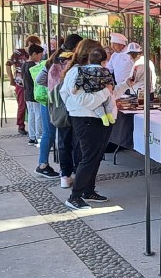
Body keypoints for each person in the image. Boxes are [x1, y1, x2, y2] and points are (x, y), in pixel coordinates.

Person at [60, 39, 113, 210]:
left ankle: (88, 190)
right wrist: (106, 92)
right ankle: (74, 196)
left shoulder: (92, 72)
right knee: (88, 158)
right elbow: (82, 100)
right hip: (86, 119)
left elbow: (107, 95)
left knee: (95, 158)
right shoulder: (77, 73)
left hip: (97, 119)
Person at [43, 34, 83, 189]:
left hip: (58, 106)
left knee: (64, 142)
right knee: (77, 142)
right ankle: (78, 174)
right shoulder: (75, 62)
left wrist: (52, 89)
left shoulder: (53, 60)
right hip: (74, 106)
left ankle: (65, 175)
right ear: (77, 46)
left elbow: (41, 79)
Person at [6, 35, 42, 135]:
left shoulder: (34, 56)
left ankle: (32, 130)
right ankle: (21, 125)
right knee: (22, 105)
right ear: (30, 43)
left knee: (31, 108)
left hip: (32, 82)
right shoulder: (18, 53)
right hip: (21, 82)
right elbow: (8, 64)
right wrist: (11, 78)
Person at [74, 48, 117, 126]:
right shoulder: (105, 70)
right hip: (104, 90)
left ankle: (103, 116)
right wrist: (111, 88)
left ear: (89, 61)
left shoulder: (83, 70)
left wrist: (75, 88)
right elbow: (110, 81)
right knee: (108, 102)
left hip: (92, 91)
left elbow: (80, 80)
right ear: (103, 62)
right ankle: (109, 114)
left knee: (97, 105)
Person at [21, 44, 44, 145]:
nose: (40, 57)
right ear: (34, 54)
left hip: (27, 92)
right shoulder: (34, 66)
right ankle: (38, 136)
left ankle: (32, 136)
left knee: (31, 115)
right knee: (38, 115)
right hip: (34, 93)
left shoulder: (24, 64)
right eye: (40, 55)